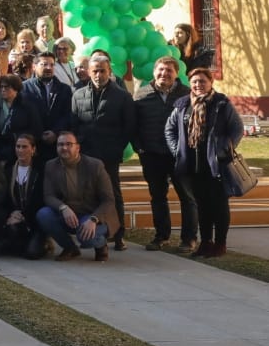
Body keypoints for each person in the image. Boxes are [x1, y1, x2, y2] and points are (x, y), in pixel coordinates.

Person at [166, 67, 244, 258]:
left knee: (219, 205)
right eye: (194, 81)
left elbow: (237, 129)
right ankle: (206, 242)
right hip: (193, 165)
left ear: (211, 83)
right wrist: (177, 150)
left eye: (202, 81)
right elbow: (170, 129)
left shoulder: (221, 103)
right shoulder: (183, 104)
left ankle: (220, 243)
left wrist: (224, 149)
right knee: (202, 206)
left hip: (216, 165)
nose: (198, 85)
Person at [69, 54, 134, 250]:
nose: (98, 75)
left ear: (109, 71)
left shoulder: (122, 96)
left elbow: (129, 127)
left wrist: (116, 148)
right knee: (86, 195)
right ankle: (91, 231)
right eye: (95, 71)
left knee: (112, 194)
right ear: (89, 72)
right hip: (85, 155)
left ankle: (118, 235)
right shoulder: (78, 95)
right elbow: (74, 125)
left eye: (102, 71)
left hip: (109, 156)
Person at [133, 57, 194, 251]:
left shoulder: (187, 94)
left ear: (176, 74)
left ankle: (188, 239)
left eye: (169, 70)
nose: (164, 74)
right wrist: (139, 147)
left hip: (180, 156)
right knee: (158, 197)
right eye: (160, 70)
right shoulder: (141, 94)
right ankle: (161, 236)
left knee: (187, 197)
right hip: (151, 155)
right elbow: (133, 124)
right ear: (154, 72)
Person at [37, 132, 118, 261]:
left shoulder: (95, 165)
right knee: (43, 214)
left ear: (78, 148)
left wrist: (93, 219)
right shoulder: (51, 166)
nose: (64, 148)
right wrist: (63, 208)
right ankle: (70, 248)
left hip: (92, 214)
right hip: (69, 215)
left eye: (69, 144)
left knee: (86, 238)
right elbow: (48, 196)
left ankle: (101, 244)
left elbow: (108, 200)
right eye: (60, 144)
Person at [1, 134, 45, 259]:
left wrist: (24, 215)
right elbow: (4, 197)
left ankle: (42, 242)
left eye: (24, 147)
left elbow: (41, 199)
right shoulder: (8, 170)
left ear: (33, 149)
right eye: (18, 146)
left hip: (34, 219)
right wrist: (12, 213)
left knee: (32, 254)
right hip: (14, 218)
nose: (20, 150)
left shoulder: (40, 170)